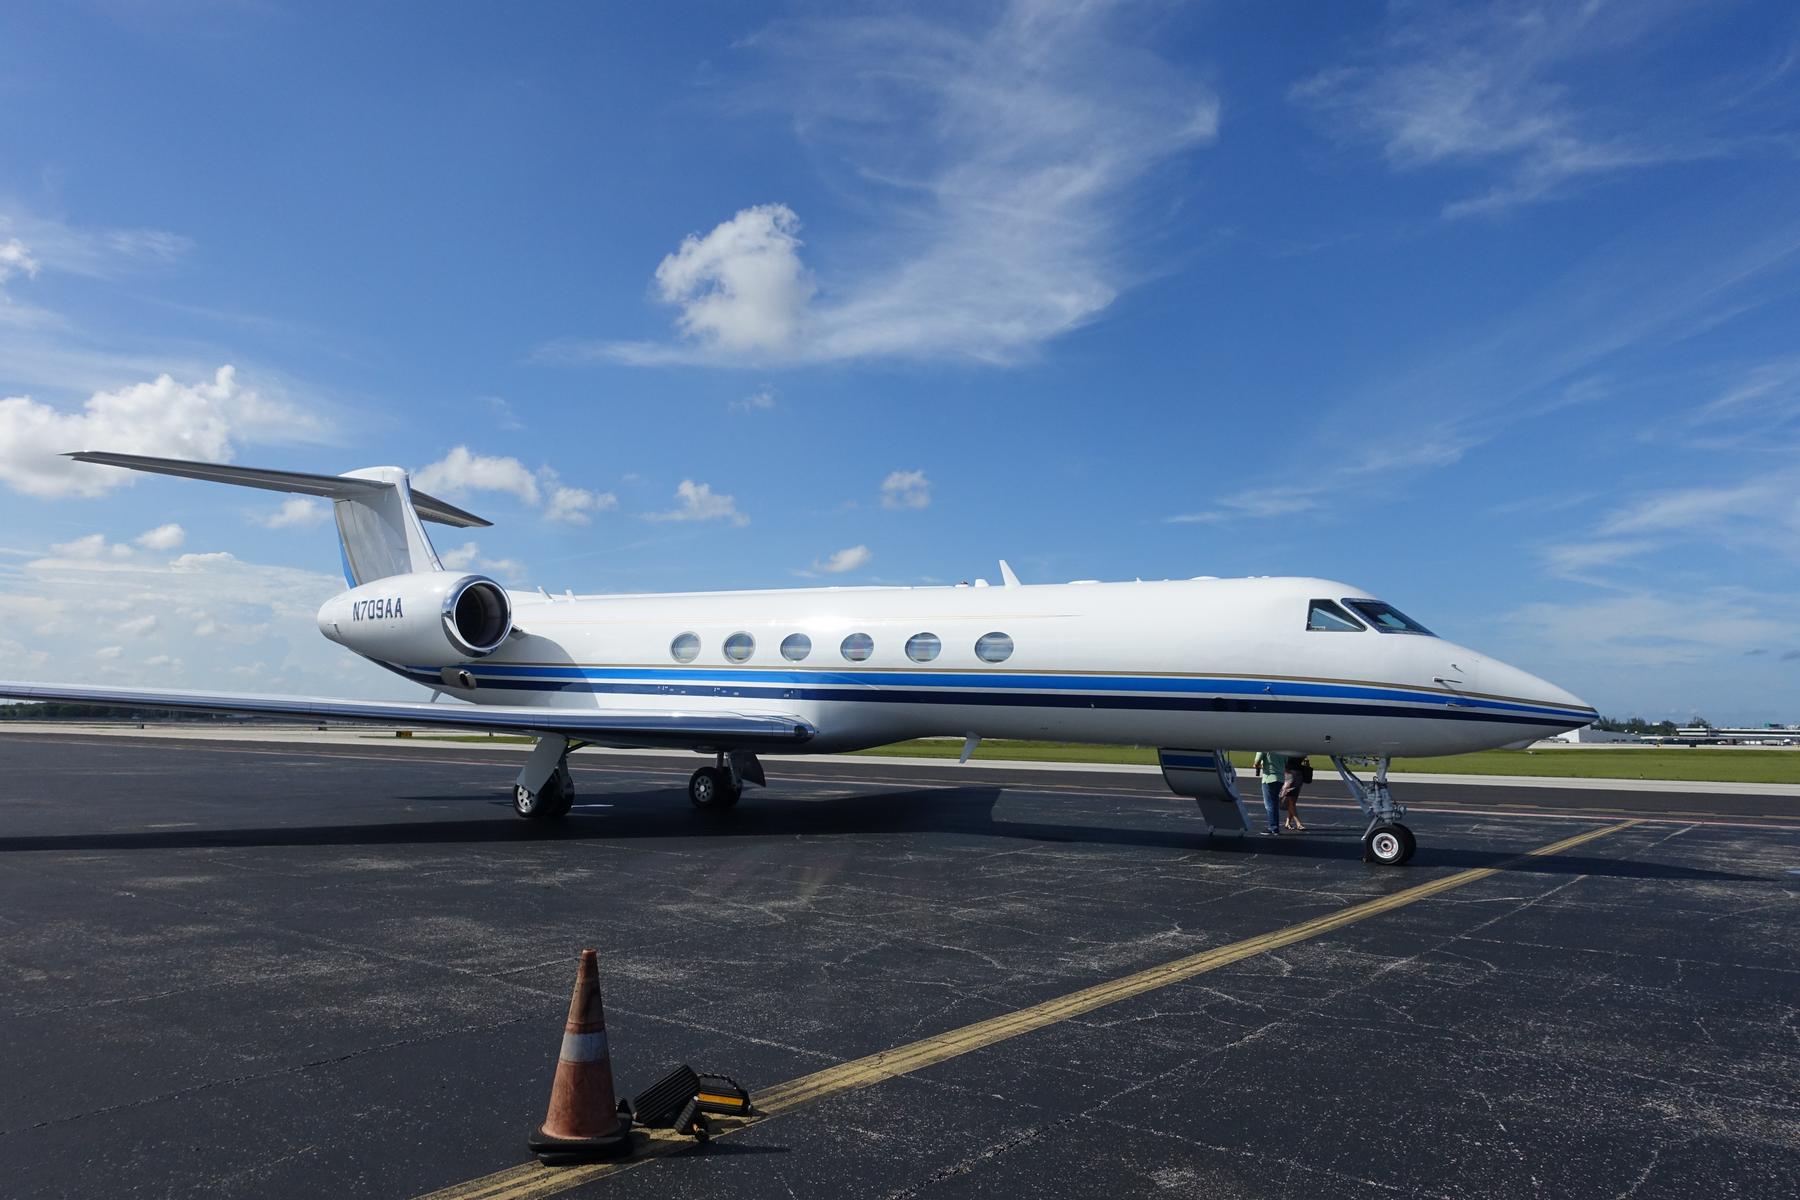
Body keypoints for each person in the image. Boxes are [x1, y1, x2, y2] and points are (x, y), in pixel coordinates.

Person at [1252, 750, 1286, 836]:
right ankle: (1275, 827)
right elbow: (1286, 761)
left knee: (1269, 805)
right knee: (1274, 804)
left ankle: (1273, 827)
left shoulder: (1264, 747)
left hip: (1269, 778)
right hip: (1280, 778)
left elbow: (1257, 761)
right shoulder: (1283, 749)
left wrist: (1257, 765)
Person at [1281, 754, 1312, 831]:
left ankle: (1288, 822)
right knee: (1291, 800)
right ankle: (1298, 823)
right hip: (1293, 775)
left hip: (1295, 775)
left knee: (1292, 801)